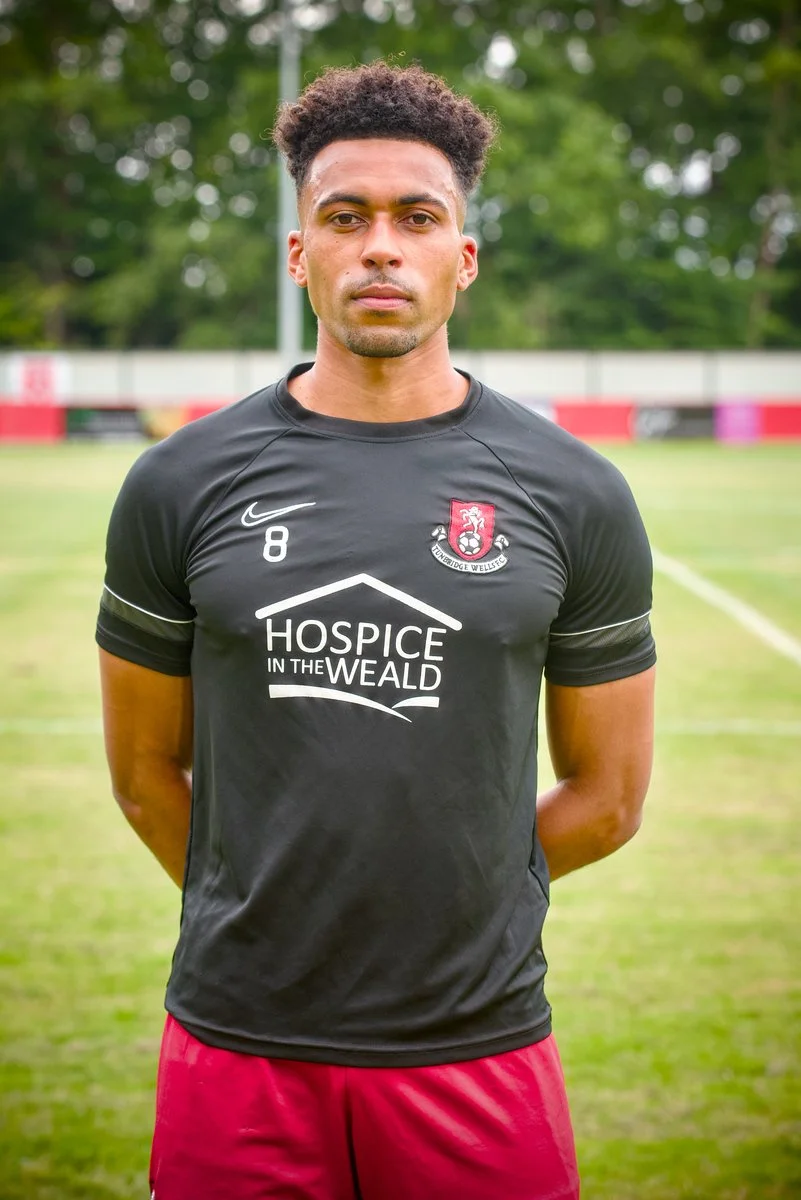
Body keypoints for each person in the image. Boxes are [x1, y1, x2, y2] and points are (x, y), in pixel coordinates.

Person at [97, 61, 656, 1200]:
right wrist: (267, 902)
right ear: (301, 254)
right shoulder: (178, 482)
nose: (382, 247)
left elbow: (609, 800)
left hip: (478, 1046)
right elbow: (148, 773)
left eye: (418, 217)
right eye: (344, 218)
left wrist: (449, 898)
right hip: (238, 1040)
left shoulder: (575, 493)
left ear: (466, 257)